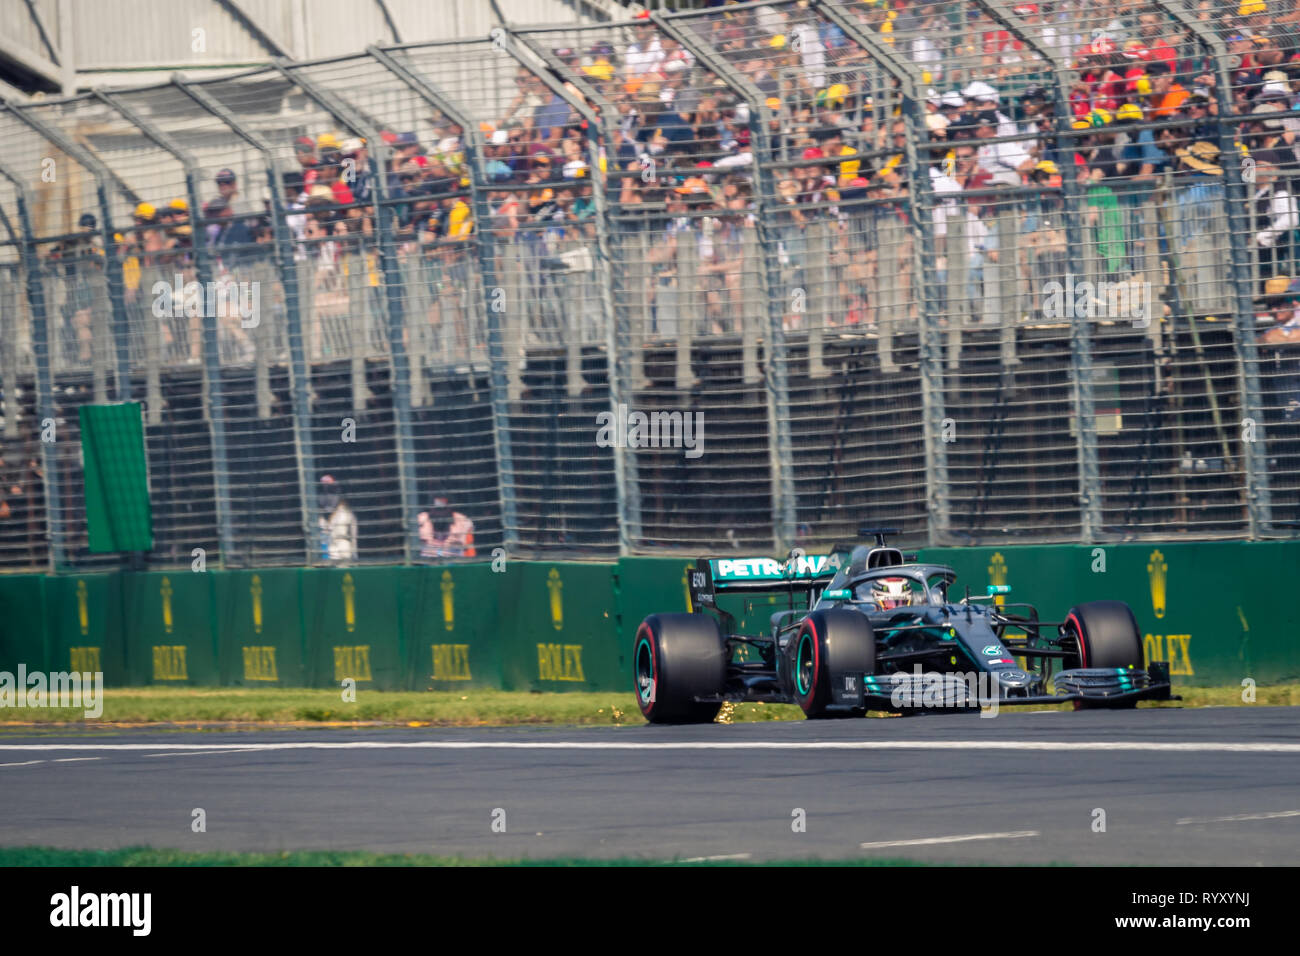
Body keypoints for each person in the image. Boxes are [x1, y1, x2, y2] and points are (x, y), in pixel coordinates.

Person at [318, 475, 356, 562]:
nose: (328, 496)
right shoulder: (316, 516)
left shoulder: (346, 514)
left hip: (344, 553)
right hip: (323, 557)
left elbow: (354, 538)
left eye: (330, 489)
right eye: (324, 489)